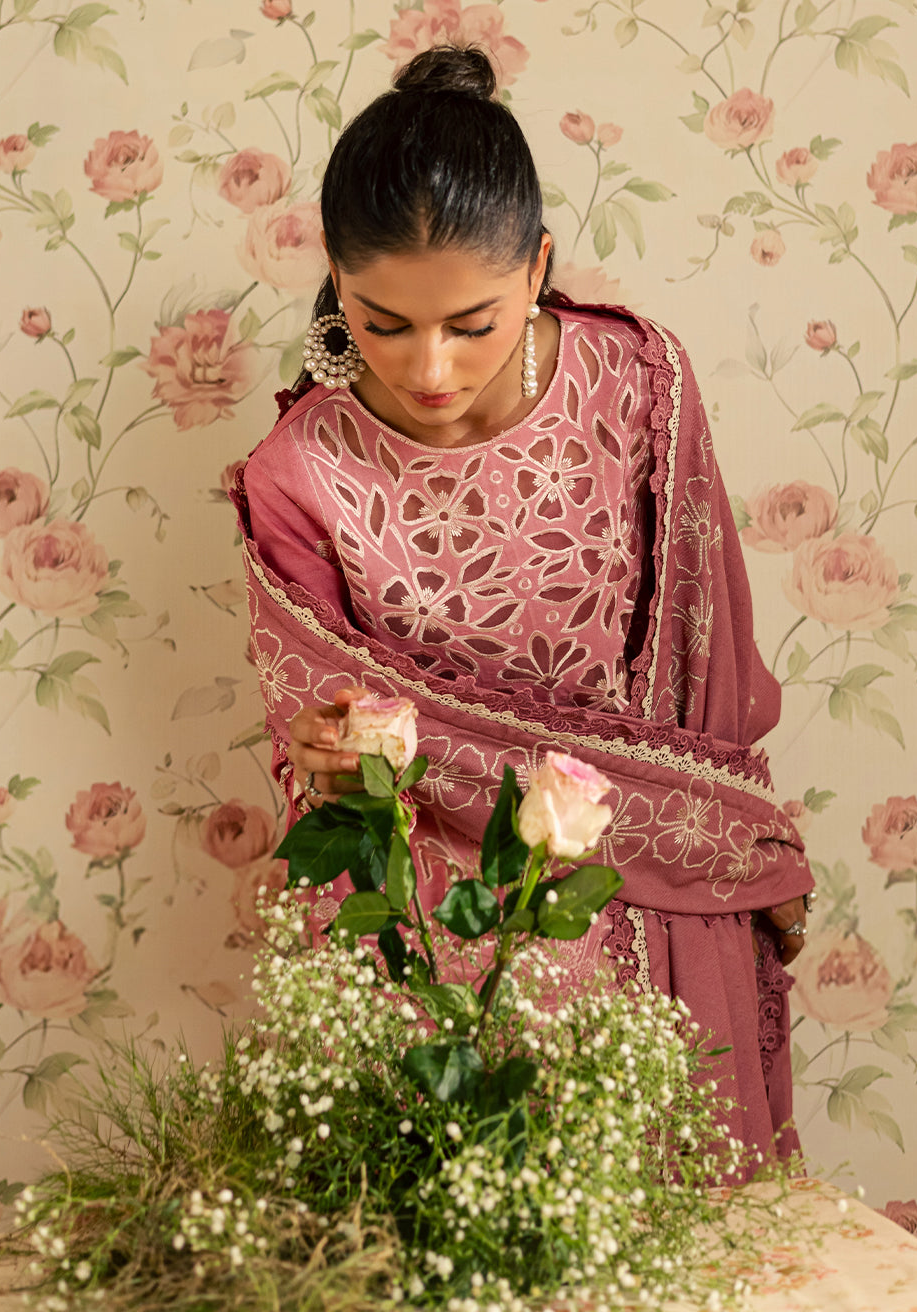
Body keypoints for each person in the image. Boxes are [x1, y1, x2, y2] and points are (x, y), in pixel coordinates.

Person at [232, 45, 815, 1169]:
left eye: (473, 323)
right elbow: (318, 750)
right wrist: (322, 752)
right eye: (383, 323)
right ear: (336, 278)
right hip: (431, 939)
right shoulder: (298, 472)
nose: (429, 368)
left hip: (650, 892)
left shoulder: (638, 386)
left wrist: (739, 848)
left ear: (539, 265)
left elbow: (708, 666)